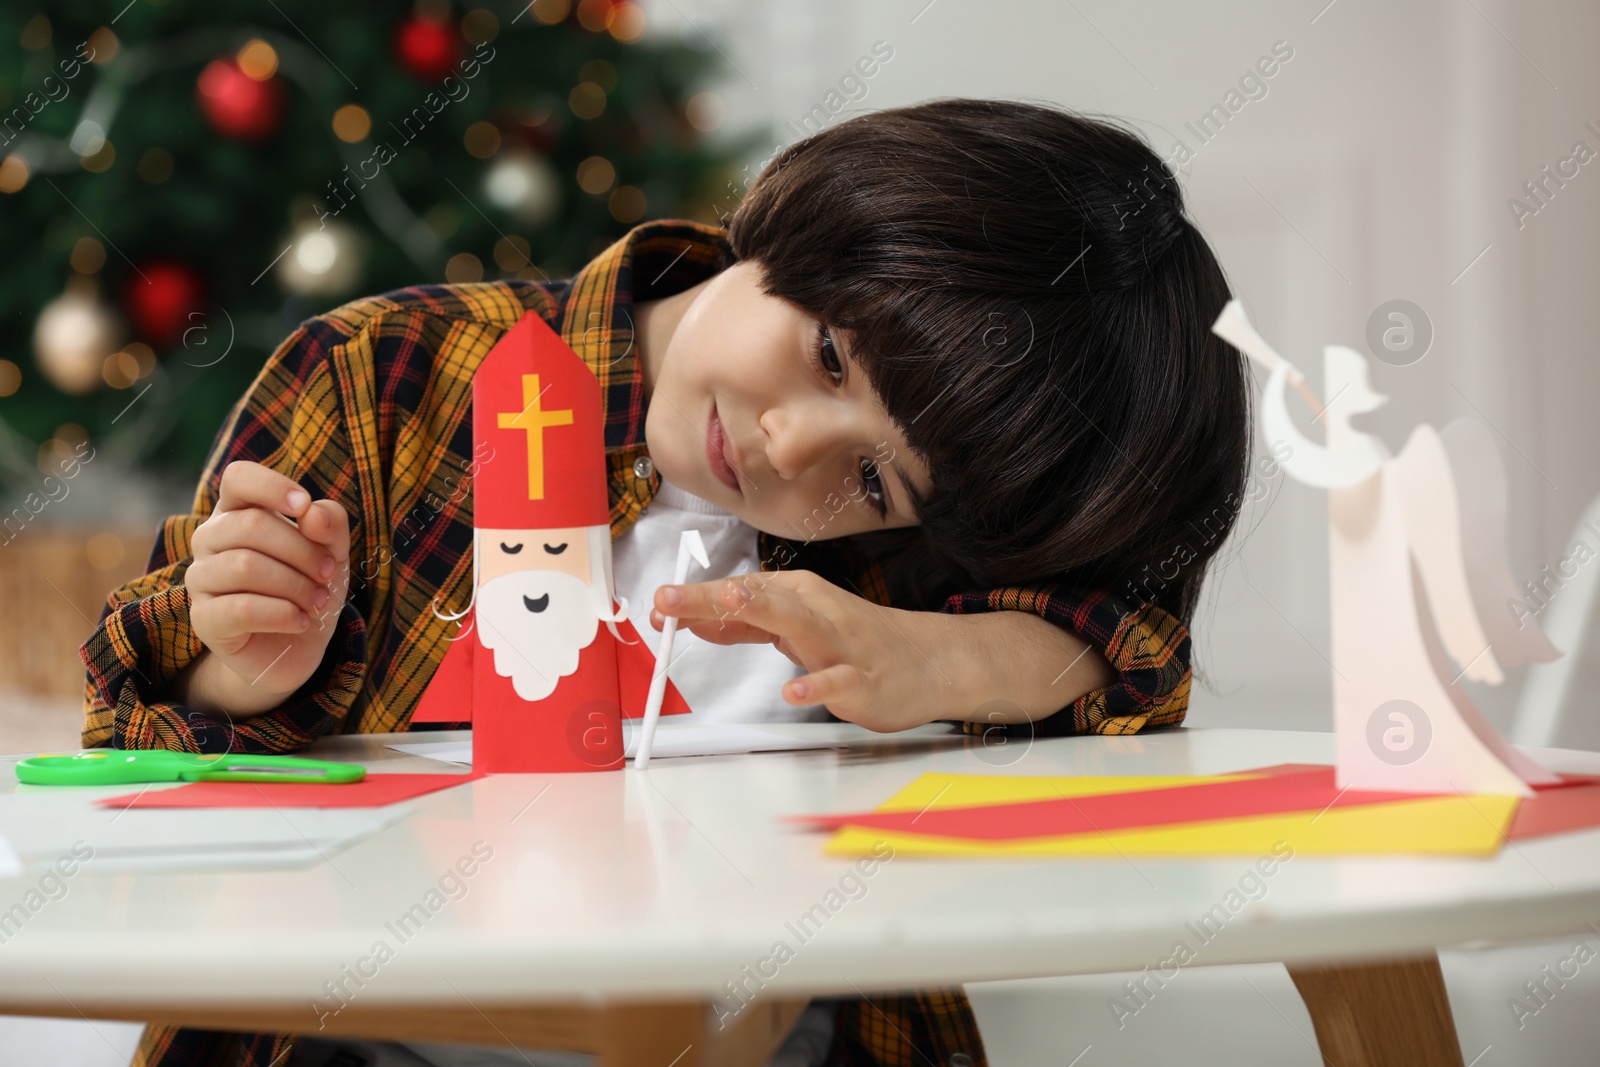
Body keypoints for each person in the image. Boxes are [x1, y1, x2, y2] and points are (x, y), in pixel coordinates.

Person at [83, 98, 1249, 1067]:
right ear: (802, 219)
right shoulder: (379, 377)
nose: (796, 447)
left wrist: (943, 657)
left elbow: (1134, 634)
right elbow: (125, 729)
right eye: (830, 355)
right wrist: (232, 664)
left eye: (875, 478)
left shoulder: (914, 561)